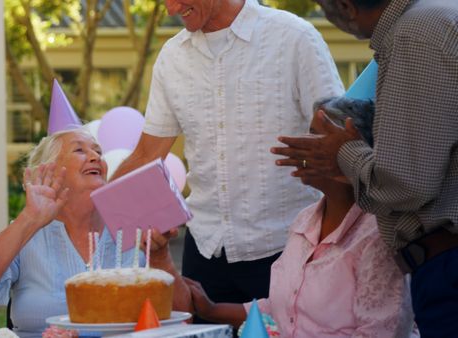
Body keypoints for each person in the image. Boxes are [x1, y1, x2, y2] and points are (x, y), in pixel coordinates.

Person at [111, 0, 345, 314]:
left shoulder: (295, 38)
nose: (170, 9)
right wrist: (88, 206)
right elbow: (146, 154)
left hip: (289, 250)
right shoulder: (171, 57)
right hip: (203, 252)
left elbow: (339, 140)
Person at [270, 0, 458, 336]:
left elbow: (406, 185)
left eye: (318, 143)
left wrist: (344, 153)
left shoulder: (414, 34)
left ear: (345, 6)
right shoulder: (438, 16)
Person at [185, 97, 417, 337]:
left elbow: (380, 332)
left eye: (317, 139)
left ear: (355, 150)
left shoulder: (379, 235)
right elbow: (283, 310)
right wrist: (210, 309)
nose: (302, 147)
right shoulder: (304, 222)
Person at [0, 127, 189, 338]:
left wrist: (160, 257)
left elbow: (185, 318)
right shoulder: (29, 232)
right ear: (48, 171)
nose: (96, 156)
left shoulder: (135, 228)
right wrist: (29, 219)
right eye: (79, 150)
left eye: (98, 151)